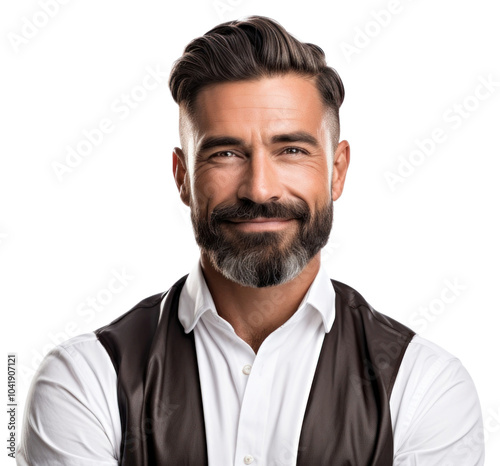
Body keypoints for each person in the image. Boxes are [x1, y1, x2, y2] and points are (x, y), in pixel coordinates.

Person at [18, 15, 484, 466]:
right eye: (225, 153)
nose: (260, 189)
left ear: (337, 171)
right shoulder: (84, 381)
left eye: (292, 151)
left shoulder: (425, 387)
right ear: (183, 177)